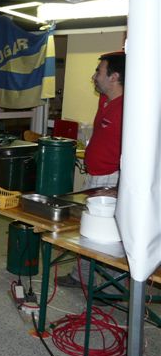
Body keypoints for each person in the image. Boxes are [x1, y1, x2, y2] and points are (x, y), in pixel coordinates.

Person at [57, 51, 125, 289]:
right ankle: (82, 277)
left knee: (108, 237)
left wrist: (120, 187)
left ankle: (113, 289)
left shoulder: (128, 109)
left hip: (111, 179)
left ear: (114, 77)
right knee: (87, 229)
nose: (94, 76)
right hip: (94, 176)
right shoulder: (104, 99)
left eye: (99, 71)